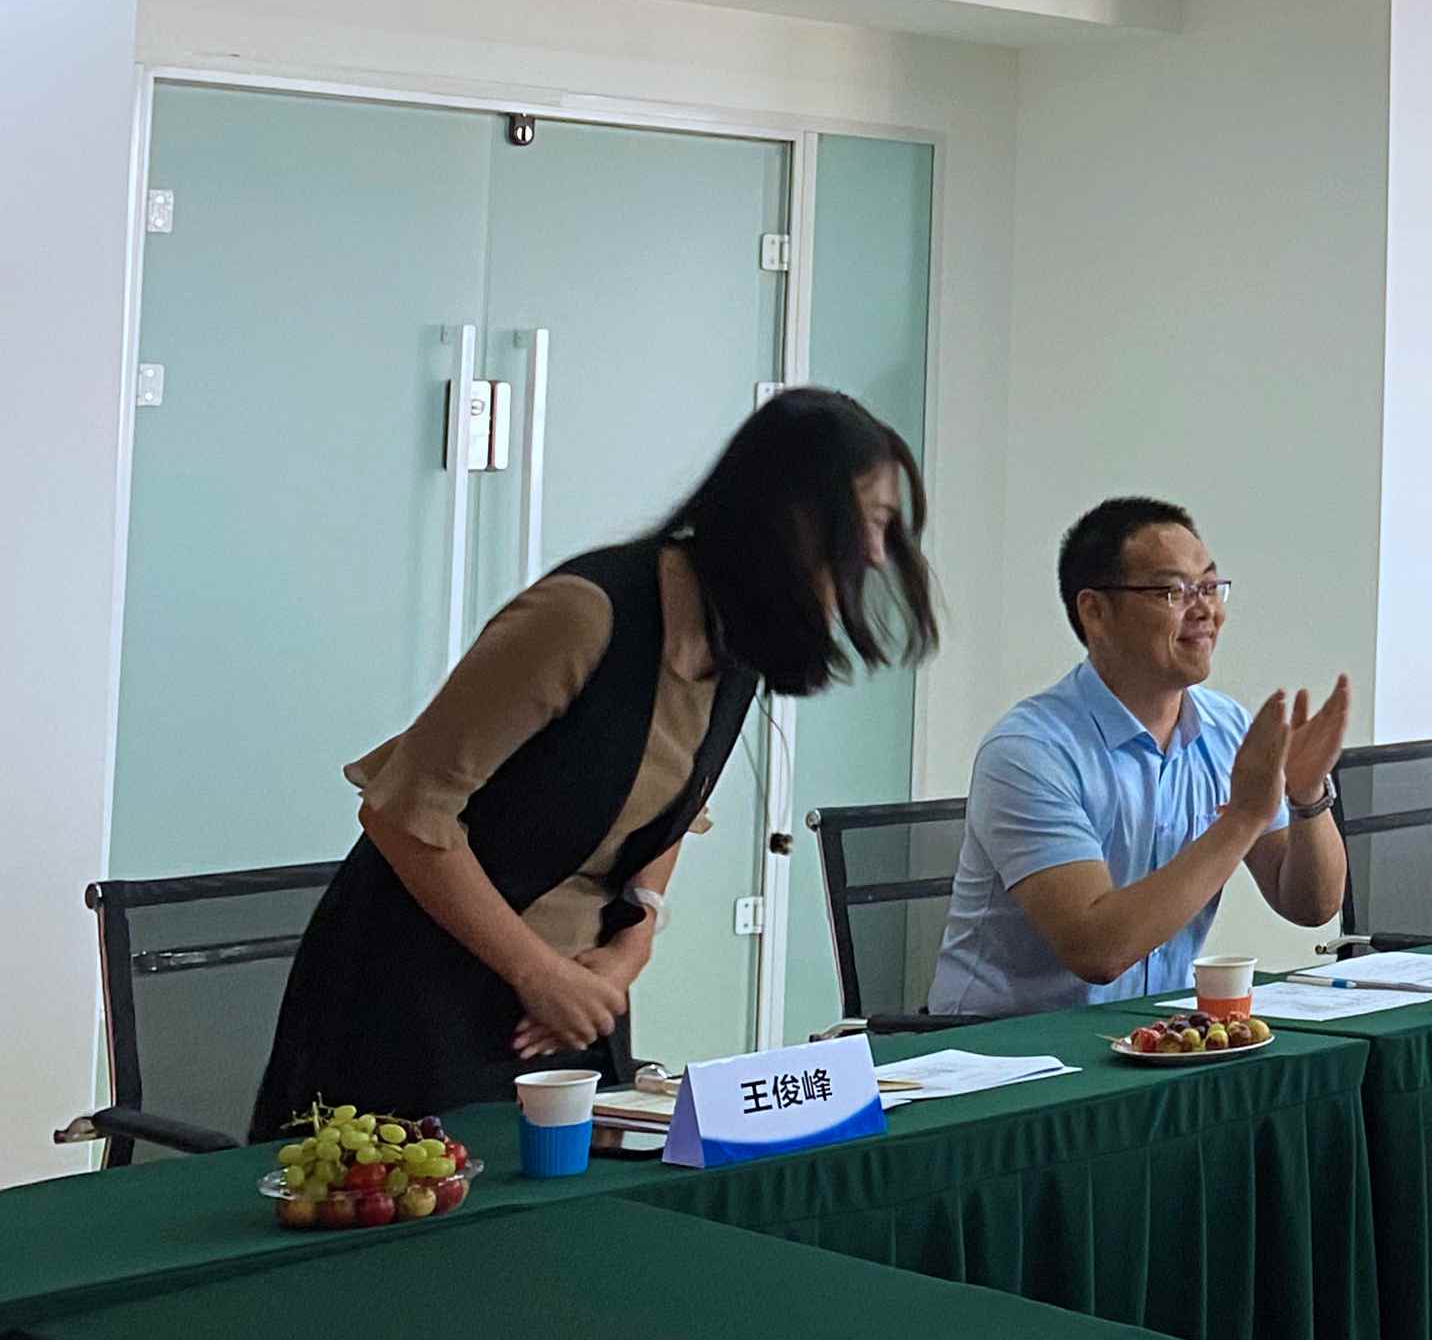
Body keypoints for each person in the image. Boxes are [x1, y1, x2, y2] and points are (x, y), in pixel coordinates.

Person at [253, 389, 938, 1132]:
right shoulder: (584, 616)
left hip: (569, 1013)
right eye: (871, 521)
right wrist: (536, 971)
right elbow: (403, 812)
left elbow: (672, 812)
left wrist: (628, 950)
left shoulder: (738, 639)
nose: (876, 554)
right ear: (795, 514)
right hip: (413, 1005)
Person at [924, 499, 1354, 1015]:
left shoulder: (1226, 730)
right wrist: (1242, 818)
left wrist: (1307, 797)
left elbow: (1309, 906)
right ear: (1095, 612)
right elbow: (1096, 949)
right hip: (1004, 1049)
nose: (1206, 611)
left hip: (1151, 1036)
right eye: (1174, 591)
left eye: (1209, 587)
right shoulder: (1028, 751)